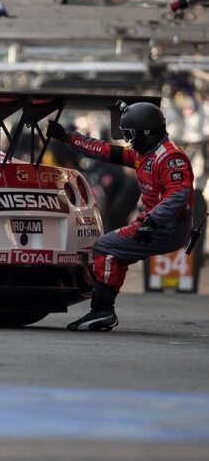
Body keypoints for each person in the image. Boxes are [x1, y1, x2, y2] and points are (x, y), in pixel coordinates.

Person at [47, 102, 194, 331]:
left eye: (131, 135)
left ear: (145, 132)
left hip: (166, 226)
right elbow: (104, 150)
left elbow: (178, 195)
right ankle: (103, 310)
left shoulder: (170, 157)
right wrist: (68, 138)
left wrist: (152, 221)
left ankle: (102, 311)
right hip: (155, 222)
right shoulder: (143, 154)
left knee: (105, 247)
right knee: (116, 254)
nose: (129, 140)